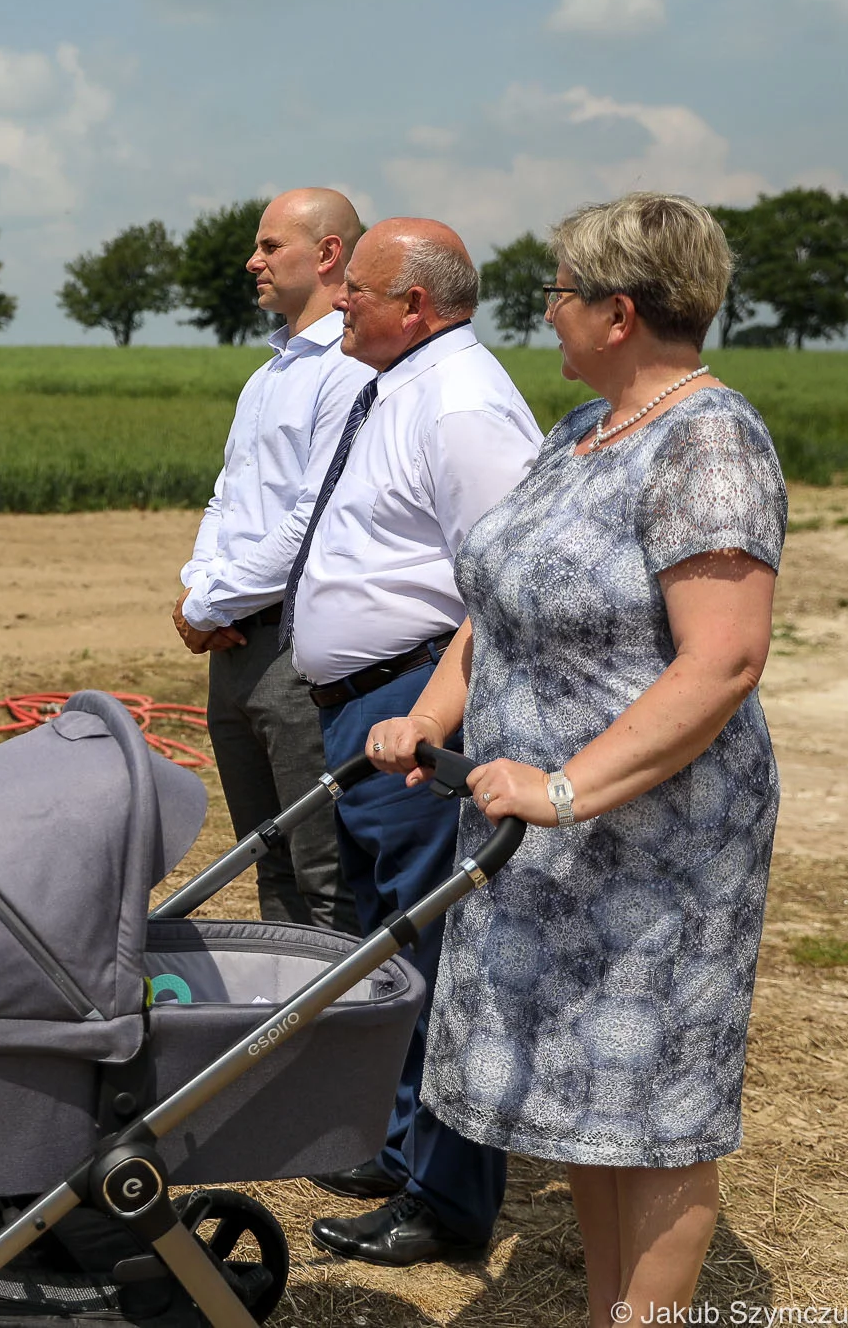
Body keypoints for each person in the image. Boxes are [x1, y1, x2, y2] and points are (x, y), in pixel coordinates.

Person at [367, 192, 784, 1326]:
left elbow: (722, 661)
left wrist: (560, 787)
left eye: (555, 292)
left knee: (651, 1113)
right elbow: (490, 606)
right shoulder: (574, 434)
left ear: (616, 311)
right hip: (542, 836)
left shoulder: (705, 439)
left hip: (649, 844)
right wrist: (431, 715)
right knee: (589, 1107)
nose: (540, 313)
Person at [287, 219, 543, 1264]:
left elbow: (506, 585)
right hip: (366, 704)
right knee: (384, 941)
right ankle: (399, 1149)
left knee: (429, 953)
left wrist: (435, 714)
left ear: (419, 307)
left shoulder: (463, 406)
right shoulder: (396, 385)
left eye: (359, 288)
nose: (339, 300)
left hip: (415, 705)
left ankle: (443, 1194)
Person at [173, 188, 370, 932]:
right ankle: (284, 1028)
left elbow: (309, 521)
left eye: (268, 246)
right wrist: (203, 591)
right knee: (270, 861)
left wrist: (206, 605)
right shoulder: (269, 375)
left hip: (296, 650)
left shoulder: (345, 369)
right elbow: (227, 500)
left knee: (323, 876)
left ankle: (337, 1035)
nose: (251, 261)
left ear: (327, 254)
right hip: (235, 643)